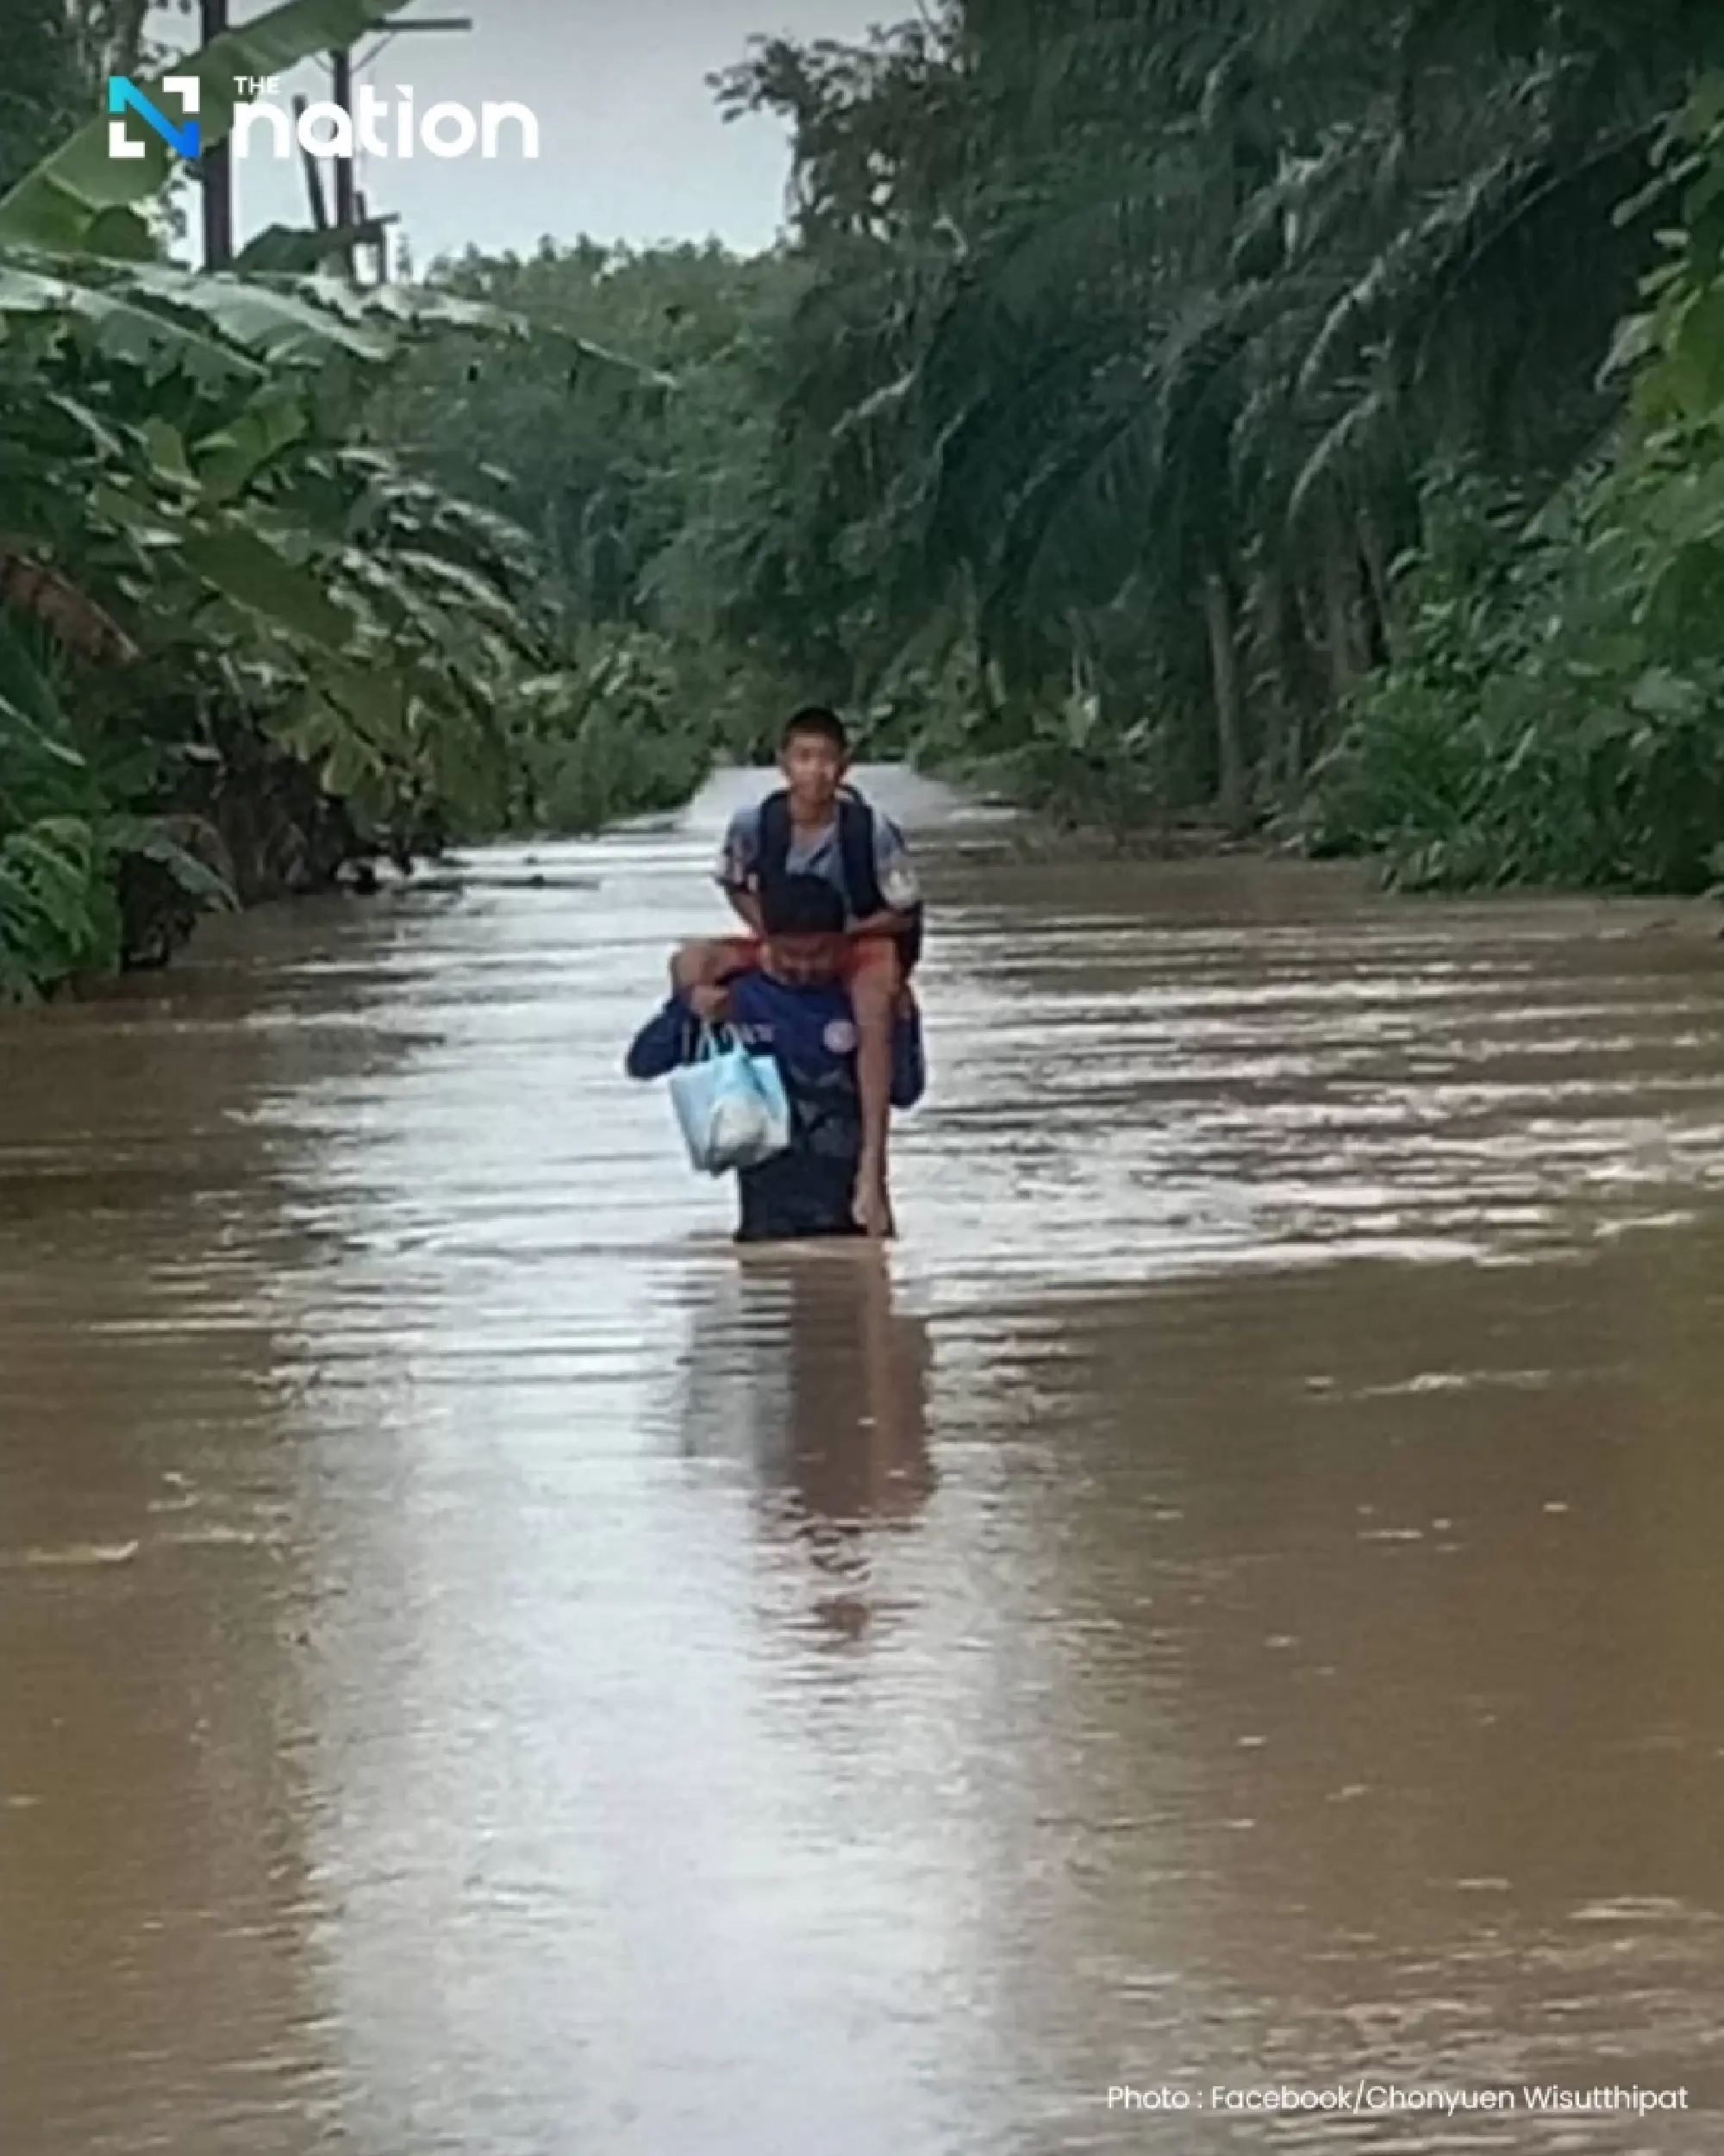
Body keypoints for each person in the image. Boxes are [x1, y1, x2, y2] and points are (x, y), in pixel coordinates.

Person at [671, 706, 922, 1240]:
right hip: (782, 939)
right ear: (784, 764)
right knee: (691, 961)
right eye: (804, 758)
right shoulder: (754, 825)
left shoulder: (872, 832)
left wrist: (842, 937)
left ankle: (872, 1168)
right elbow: (733, 882)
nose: (815, 772)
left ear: (844, 767)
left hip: (854, 941)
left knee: (876, 998)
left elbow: (904, 908)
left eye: (826, 760)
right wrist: (770, 935)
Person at [630, 875, 926, 1244]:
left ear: (843, 945)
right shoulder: (737, 997)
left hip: (855, 1218)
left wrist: (902, 1021)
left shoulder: (867, 1004)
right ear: (765, 943)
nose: (804, 967)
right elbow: (641, 1065)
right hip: (765, 1225)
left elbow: (906, 1091)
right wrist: (685, 1009)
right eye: (790, 956)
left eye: (819, 954)